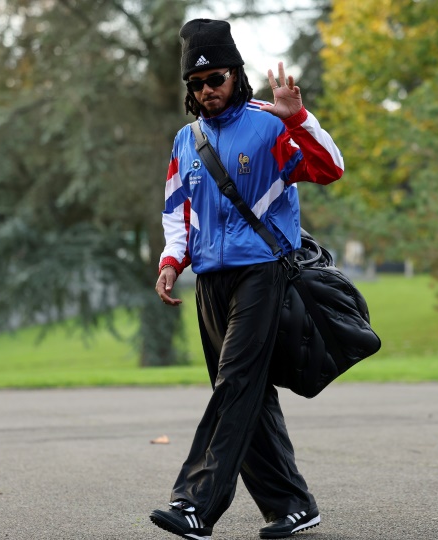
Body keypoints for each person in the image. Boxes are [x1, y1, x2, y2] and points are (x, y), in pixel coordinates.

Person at [150, 18, 344, 540]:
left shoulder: (271, 123)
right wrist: (172, 261)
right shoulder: (185, 140)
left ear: (235, 75)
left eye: (215, 79)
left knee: (235, 383)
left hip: (262, 272)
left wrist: (298, 117)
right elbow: (177, 210)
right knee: (246, 393)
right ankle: (293, 505)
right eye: (197, 84)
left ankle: (193, 503)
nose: (207, 91)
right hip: (210, 282)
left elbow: (331, 168)